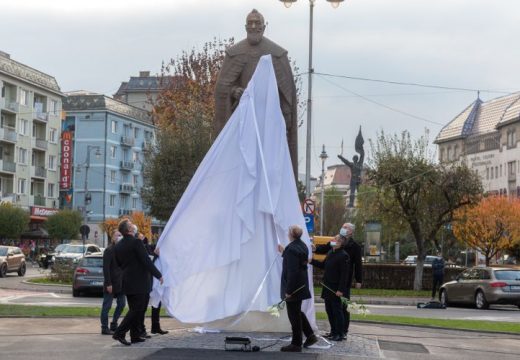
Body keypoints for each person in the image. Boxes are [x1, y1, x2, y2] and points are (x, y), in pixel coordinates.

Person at [214, 8, 298, 179]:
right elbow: (222, 89)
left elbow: (287, 93)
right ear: (245, 27)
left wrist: (286, 118)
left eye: (257, 23)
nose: (253, 26)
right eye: (250, 23)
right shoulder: (234, 53)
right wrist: (234, 91)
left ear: (264, 26)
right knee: (243, 167)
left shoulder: (277, 53)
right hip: (243, 120)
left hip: (269, 121)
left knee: (268, 168)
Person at [112, 219, 163, 346]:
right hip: (140, 282)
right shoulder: (136, 242)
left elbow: (118, 263)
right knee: (137, 309)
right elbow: (146, 261)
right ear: (129, 230)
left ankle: (135, 335)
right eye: (131, 225)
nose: (133, 227)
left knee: (135, 309)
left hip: (127, 281)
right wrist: (159, 275)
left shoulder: (118, 245)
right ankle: (119, 332)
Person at [314, 223, 362, 338]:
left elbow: (358, 264)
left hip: (344, 280)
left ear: (351, 231)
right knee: (331, 307)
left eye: (346, 228)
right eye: (343, 227)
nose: (343, 229)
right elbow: (325, 247)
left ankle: (343, 331)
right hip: (332, 279)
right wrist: (316, 249)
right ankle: (335, 330)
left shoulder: (354, 246)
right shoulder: (335, 241)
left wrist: (359, 280)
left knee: (343, 307)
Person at [277, 225, 317, 352]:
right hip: (301, 286)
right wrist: (284, 252)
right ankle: (310, 336)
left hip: (294, 288)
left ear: (291, 234)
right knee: (297, 312)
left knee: (293, 315)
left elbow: (293, 271)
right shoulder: (302, 245)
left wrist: (289, 291)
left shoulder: (292, 249)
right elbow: (297, 262)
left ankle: (296, 344)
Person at [311, 235, 350, 341]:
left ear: (340, 242)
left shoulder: (343, 255)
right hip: (327, 286)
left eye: (335, 239)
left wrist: (341, 290)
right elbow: (323, 265)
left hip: (336, 288)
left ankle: (340, 333)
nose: (332, 240)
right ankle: (333, 331)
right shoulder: (330, 252)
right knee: (329, 310)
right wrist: (311, 261)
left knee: (337, 311)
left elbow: (344, 275)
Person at [100, 230, 126, 335]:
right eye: (117, 235)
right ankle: (104, 327)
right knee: (107, 306)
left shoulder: (122, 250)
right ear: (112, 238)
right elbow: (106, 269)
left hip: (121, 283)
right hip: (111, 283)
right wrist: (108, 283)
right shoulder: (109, 250)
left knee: (122, 304)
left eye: (121, 235)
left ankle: (114, 323)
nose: (119, 237)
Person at [150, 247, 168, 335]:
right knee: (155, 305)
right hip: (154, 284)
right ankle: (154, 327)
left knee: (157, 305)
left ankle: (155, 327)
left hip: (158, 284)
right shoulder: (154, 257)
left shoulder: (159, 258)